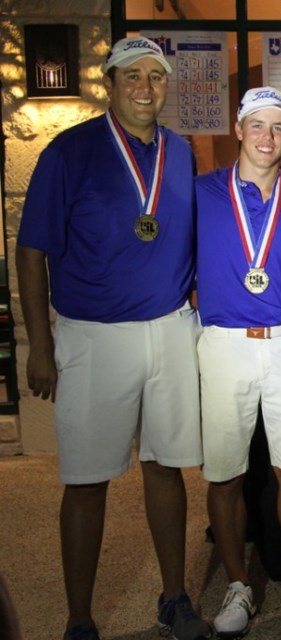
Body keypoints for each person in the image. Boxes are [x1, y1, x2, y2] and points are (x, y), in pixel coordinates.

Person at [17, 36, 209, 640]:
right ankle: (79, 618)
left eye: (156, 77)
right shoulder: (67, 151)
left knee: (167, 467)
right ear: (110, 83)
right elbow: (30, 252)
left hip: (171, 329)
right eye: (133, 76)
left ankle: (173, 597)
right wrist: (41, 348)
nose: (146, 88)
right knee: (86, 478)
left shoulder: (181, 152)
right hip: (94, 335)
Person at [196, 87, 281, 637]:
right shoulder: (201, 192)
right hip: (225, 343)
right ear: (238, 129)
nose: (267, 137)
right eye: (258, 126)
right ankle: (236, 585)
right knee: (225, 474)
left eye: (278, 128)